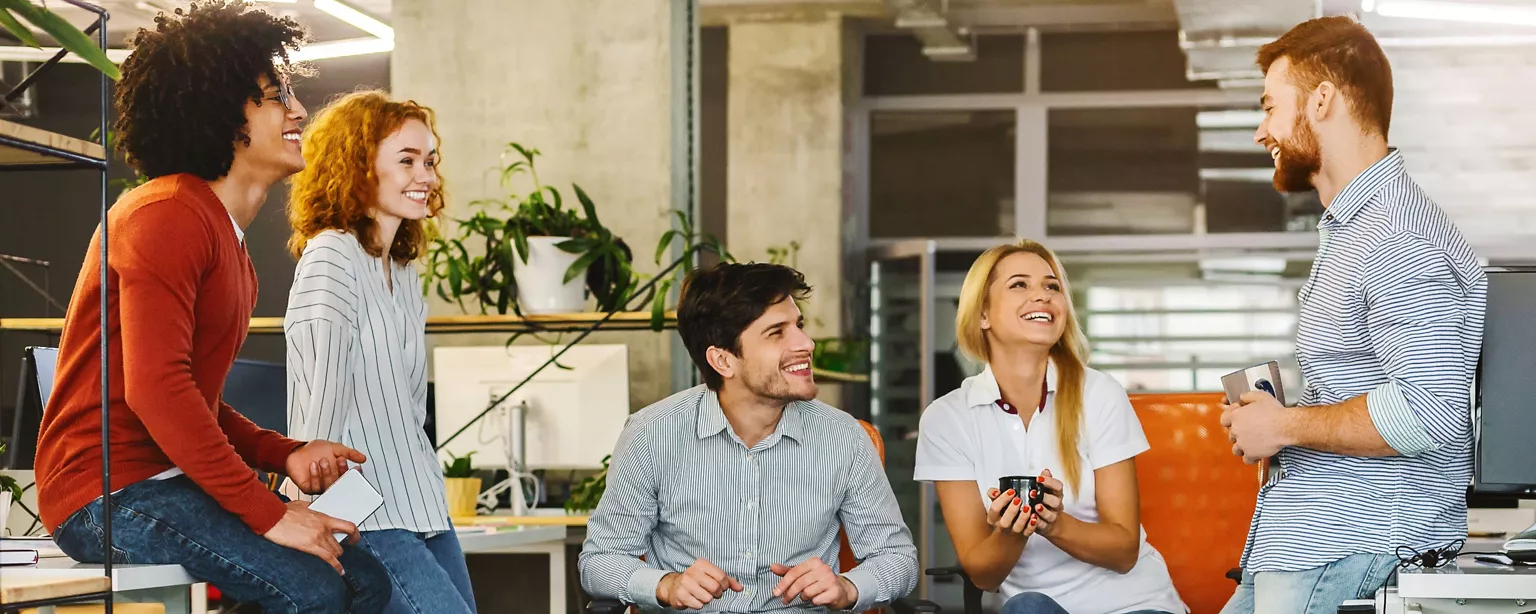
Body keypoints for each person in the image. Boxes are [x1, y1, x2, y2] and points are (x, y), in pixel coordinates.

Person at [32, 2, 391, 612]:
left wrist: (283, 453)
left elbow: (190, 397)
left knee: (365, 580)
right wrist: (271, 514)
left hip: (165, 481)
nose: (299, 109)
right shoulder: (165, 215)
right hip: (107, 494)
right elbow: (158, 392)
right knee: (313, 587)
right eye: (276, 96)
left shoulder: (226, 240)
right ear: (224, 114)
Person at [1220, 16, 1486, 614]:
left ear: (1321, 100)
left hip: (1352, 549)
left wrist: (1286, 426)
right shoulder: (1354, 230)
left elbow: (1428, 412)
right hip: (1305, 546)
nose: (1263, 129)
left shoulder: (1396, 234)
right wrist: (1278, 422)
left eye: (1270, 106)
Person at [579, 262, 918, 613]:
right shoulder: (651, 435)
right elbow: (600, 561)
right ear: (723, 361)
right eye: (777, 332)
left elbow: (897, 559)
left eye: (798, 326)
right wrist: (666, 585)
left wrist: (847, 587)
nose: (806, 343)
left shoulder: (844, 438)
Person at [913, 240, 1186, 614]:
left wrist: (1052, 523)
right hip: (1039, 608)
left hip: (1134, 605)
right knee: (1027, 606)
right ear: (982, 315)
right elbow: (983, 575)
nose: (1041, 296)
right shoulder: (946, 419)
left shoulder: (1100, 394)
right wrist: (1011, 532)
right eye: (1019, 285)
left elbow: (1124, 552)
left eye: (1052, 286)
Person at [282, 90, 475, 614]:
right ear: (358, 168)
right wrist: (311, 514)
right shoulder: (330, 256)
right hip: (364, 512)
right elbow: (317, 412)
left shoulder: (404, 271)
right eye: (407, 160)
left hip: (422, 500)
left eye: (430, 161)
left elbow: (411, 409)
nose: (426, 176)